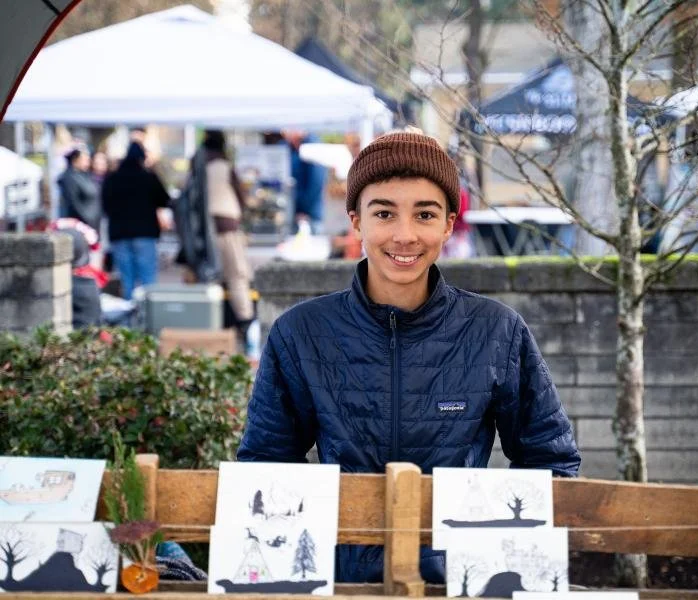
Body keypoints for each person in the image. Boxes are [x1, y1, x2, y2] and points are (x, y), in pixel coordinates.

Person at [237, 130, 580, 583]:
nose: (405, 235)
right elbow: (266, 465)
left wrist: (493, 567)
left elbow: (550, 460)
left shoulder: (496, 330)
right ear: (356, 221)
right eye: (384, 213)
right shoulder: (301, 333)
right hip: (338, 584)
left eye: (425, 214)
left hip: (456, 584)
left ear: (448, 224)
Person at [202, 130, 255, 338]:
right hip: (227, 226)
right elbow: (241, 197)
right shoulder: (223, 167)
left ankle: (212, 322)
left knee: (211, 277)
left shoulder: (198, 168)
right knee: (237, 276)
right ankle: (245, 322)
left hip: (205, 231)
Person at [102, 142, 170, 299]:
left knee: (127, 278)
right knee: (147, 277)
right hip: (145, 232)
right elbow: (164, 200)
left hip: (119, 232)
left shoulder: (112, 178)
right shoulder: (148, 177)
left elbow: (105, 205)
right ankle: (148, 310)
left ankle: (129, 309)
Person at [283, 129, 328, 234]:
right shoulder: (288, 147)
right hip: (293, 213)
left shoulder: (313, 146)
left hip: (310, 215)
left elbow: (316, 183)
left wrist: (304, 210)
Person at [57, 147, 101, 232]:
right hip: (81, 225)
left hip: (93, 221)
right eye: (85, 159)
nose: (88, 162)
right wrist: (88, 220)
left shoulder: (85, 175)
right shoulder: (69, 178)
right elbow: (74, 203)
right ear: (75, 160)